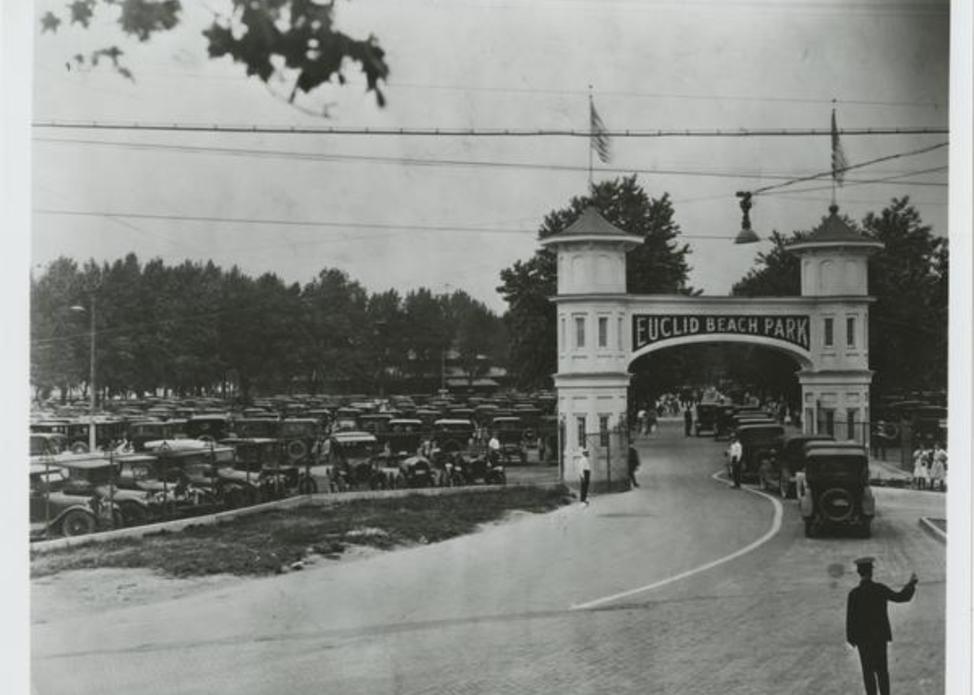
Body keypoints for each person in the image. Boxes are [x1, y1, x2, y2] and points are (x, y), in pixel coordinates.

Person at [846, 557, 918, 695]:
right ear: (871, 572)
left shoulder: (854, 594)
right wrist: (911, 584)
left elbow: (850, 619)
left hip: (863, 640)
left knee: (868, 673)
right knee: (882, 671)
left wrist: (852, 639)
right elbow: (901, 597)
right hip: (879, 637)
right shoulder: (879, 589)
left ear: (859, 573)